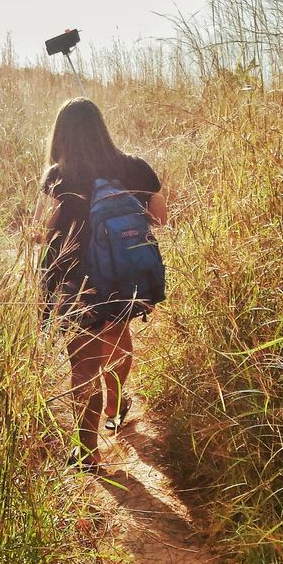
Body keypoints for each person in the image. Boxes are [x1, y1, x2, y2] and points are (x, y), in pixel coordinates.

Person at [32, 97, 168, 472]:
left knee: (83, 363)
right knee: (118, 334)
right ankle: (116, 403)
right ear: (102, 128)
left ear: (62, 134)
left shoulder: (58, 175)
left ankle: (87, 449)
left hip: (77, 279)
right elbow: (160, 216)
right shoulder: (134, 167)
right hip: (125, 274)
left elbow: (39, 232)